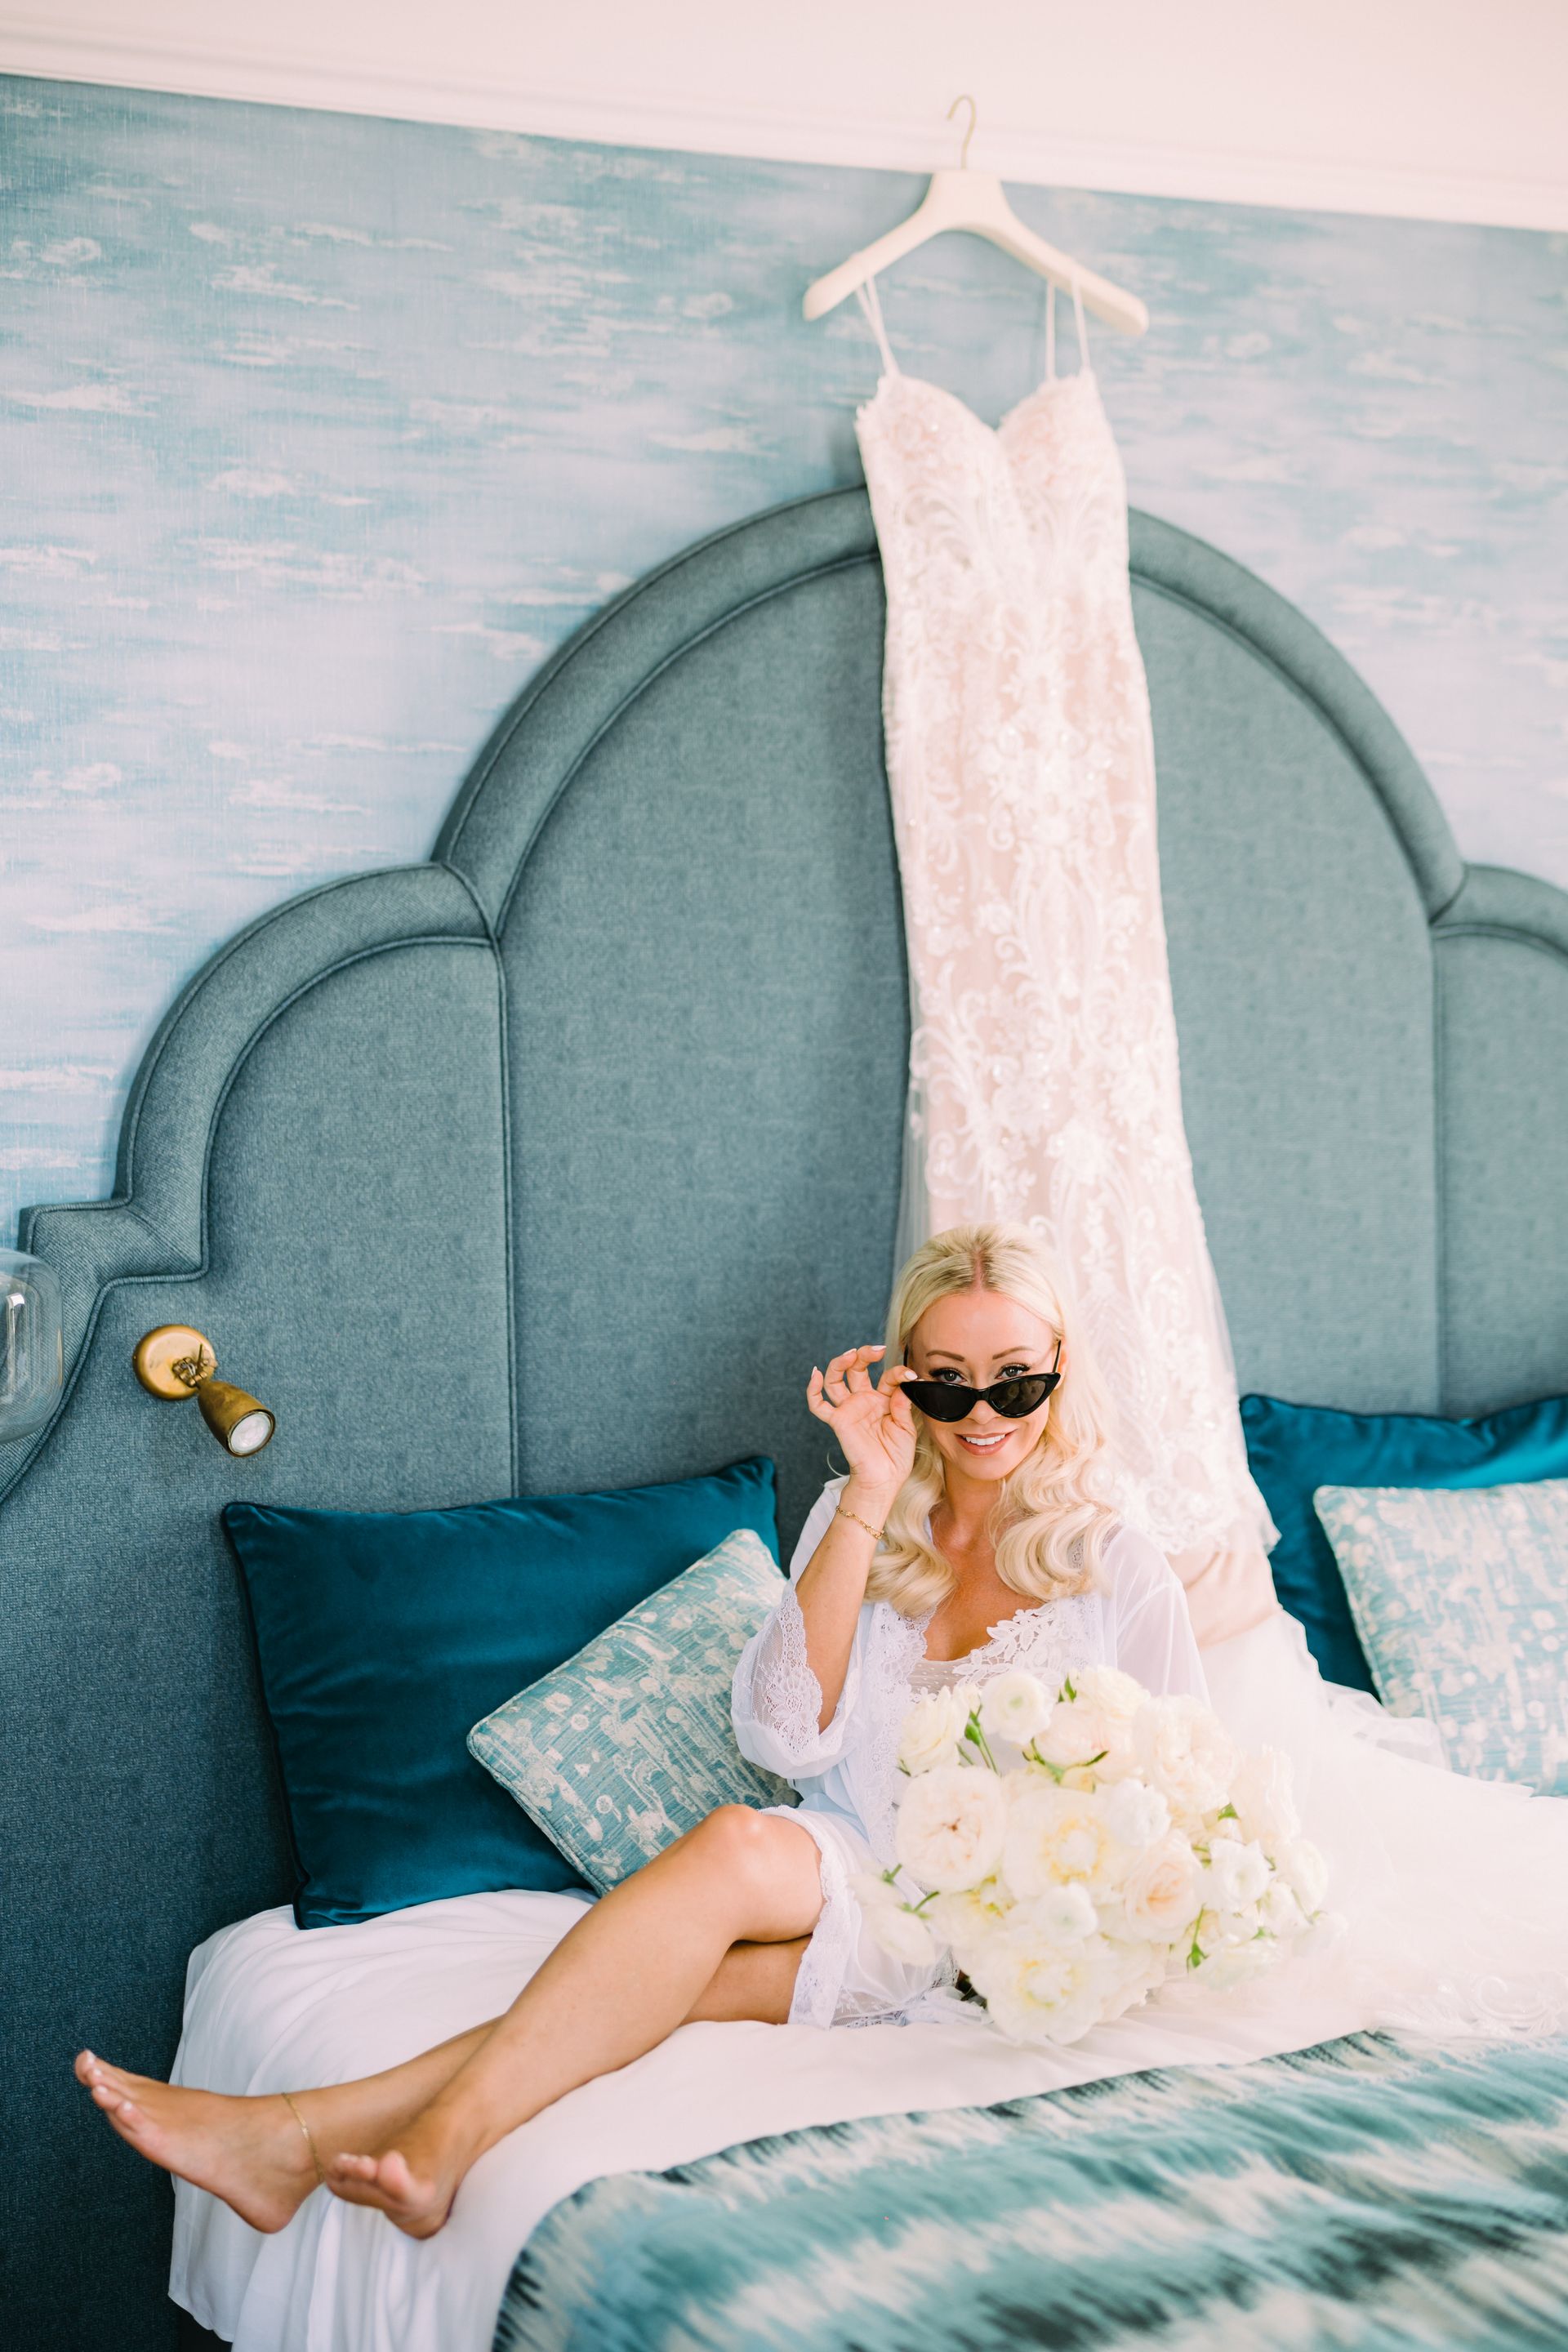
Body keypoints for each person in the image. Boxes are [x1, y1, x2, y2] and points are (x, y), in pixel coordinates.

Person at [74, 1222, 1208, 2240]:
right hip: (861, 1865)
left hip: (1006, 1921)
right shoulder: (861, 1514)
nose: (984, 1415)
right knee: (735, 1844)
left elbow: (1178, 1797)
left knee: (661, 1984)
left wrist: (1051, 1929)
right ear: (904, 1382)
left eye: (1016, 1381)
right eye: (947, 1383)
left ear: (1062, 1371)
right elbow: (785, 1739)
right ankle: (401, 2148)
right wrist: (868, 1494)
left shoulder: (1114, 1563)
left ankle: (311, 2137)